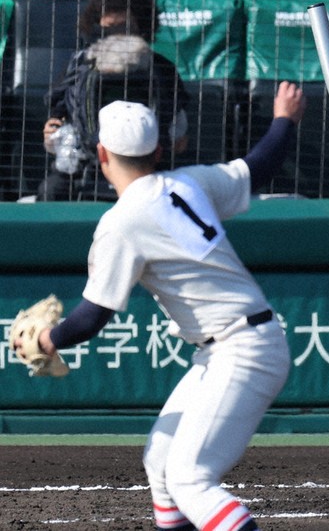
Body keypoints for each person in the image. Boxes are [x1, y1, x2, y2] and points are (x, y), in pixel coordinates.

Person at [14, 83, 306, 530]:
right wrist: (285, 117)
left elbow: (93, 316)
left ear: (102, 153)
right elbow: (259, 167)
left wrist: (46, 339)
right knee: (162, 462)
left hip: (244, 351)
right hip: (227, 349)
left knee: (190, 478)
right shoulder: (188, 182)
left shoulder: (123, 221)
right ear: (158, 150)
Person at [41, 0, 190, 201]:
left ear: (142, 26)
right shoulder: (78, 68)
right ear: (95, 27)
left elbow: (180, 138)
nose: (117, 36)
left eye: (125, 28)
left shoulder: (162, 70)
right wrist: (52, 136)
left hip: (146, 167)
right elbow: (55, 122)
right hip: (84, 166)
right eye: (109, 29)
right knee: (51, 191)